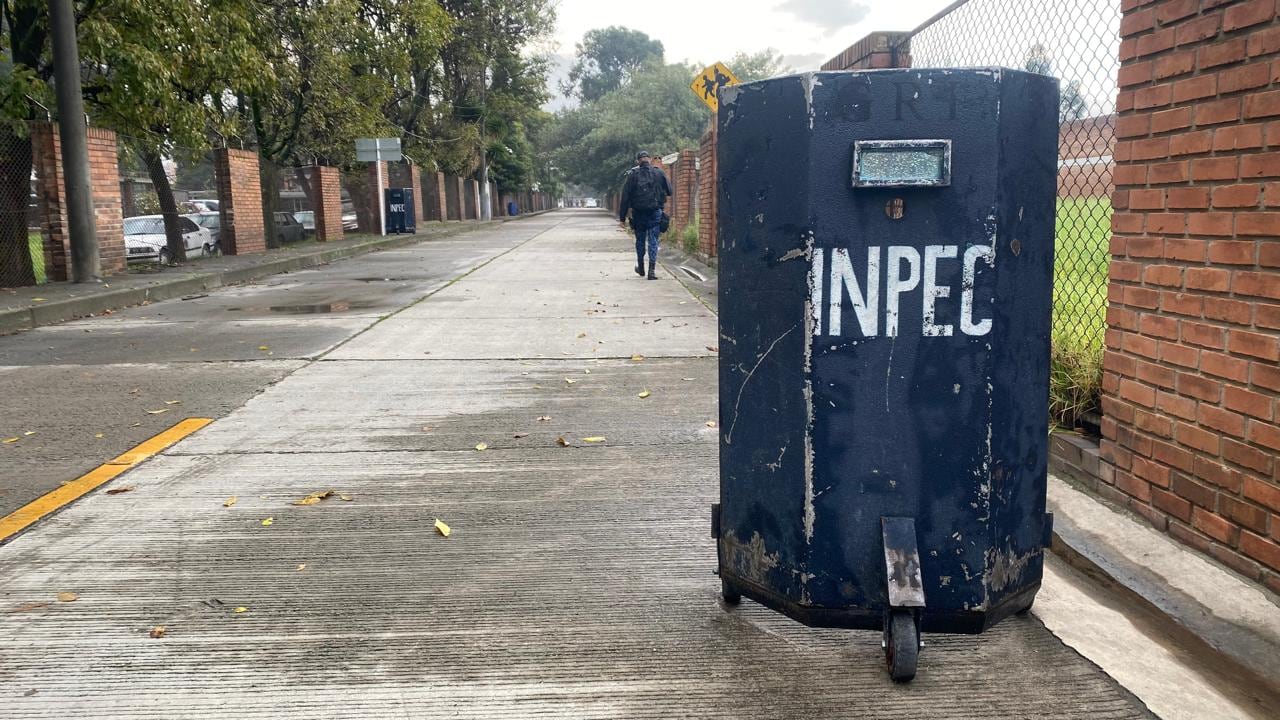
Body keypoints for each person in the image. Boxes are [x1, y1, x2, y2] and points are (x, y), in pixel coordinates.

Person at [617, 150, 671, 280]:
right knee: (653, 240)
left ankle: (641, 267)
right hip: (655, 212)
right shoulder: (659, 172)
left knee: (640, 240)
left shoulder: (632, 175)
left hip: (638, 213)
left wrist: (622, 218)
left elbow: (625, 198)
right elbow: (670, 191)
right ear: (650, 159)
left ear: (638, 161)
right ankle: (651, 271)